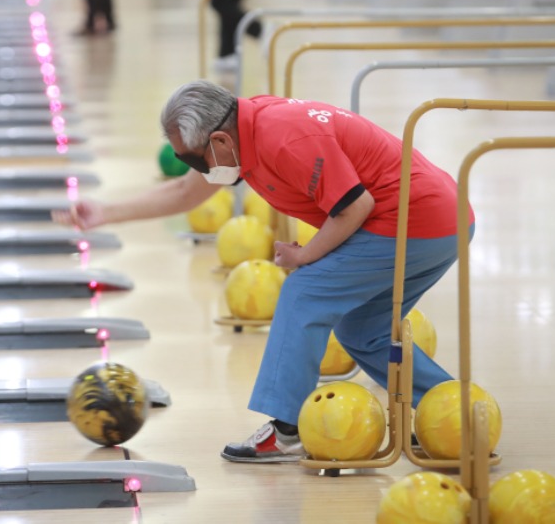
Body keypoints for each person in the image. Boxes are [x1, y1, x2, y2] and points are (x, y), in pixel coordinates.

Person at [53, 80, 472, 462]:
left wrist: (305, 256)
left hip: (415, 219)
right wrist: (104, 212)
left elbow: (353, 207)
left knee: (303, 293)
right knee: (364, 330)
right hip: (443, 219)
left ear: (218, 139)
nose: (197, 172)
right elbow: (184, 192)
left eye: (195, 161)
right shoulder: (242, 132)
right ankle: (451, 415)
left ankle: (288, 429)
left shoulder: (282, 137)